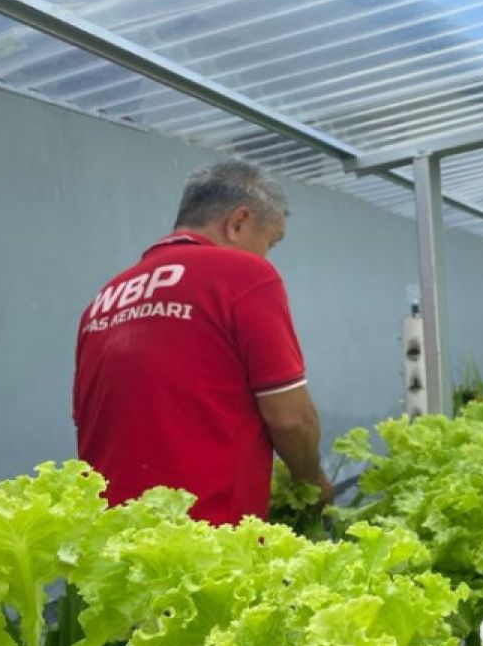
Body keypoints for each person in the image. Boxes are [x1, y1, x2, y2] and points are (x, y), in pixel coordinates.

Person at [73, 161, 332, 525]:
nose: (265, 256)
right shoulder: (242, 275)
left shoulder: (105, 298)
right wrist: (312, 482)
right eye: (268, 243)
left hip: (111, 543)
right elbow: (290, 417)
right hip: (207, 538)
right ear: (238, 223)